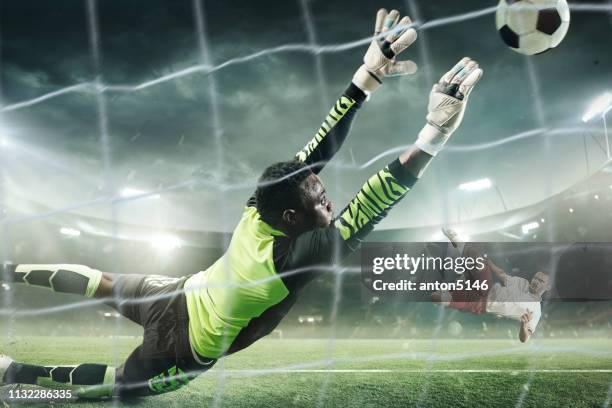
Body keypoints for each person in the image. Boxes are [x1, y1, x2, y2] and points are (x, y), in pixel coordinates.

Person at [0, 9, 483, 399]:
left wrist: (365, 79)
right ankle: (16, 373)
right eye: (319, 198)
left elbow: (318, 151)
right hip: (187, 345)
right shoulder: (298, 258)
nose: (327, 197)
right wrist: (434, 135)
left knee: (103, 283)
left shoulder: (262, 205)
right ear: (294, 217)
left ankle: (9, 270)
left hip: (177, 293)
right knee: (121, 385)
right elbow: (374, 199)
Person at [431, 229, 551, 343]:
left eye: (540, 281)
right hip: (488, 287)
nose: (535, 281)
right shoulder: (523, 283)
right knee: (477, 258)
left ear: (547, 287)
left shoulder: (535, 310)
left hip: (482, 304)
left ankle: (462, 281)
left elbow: (524, 339)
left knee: (436, 297)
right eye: (535, 278)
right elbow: (502, 274)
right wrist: (488, 261)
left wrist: (524, 325)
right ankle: (455, 238)